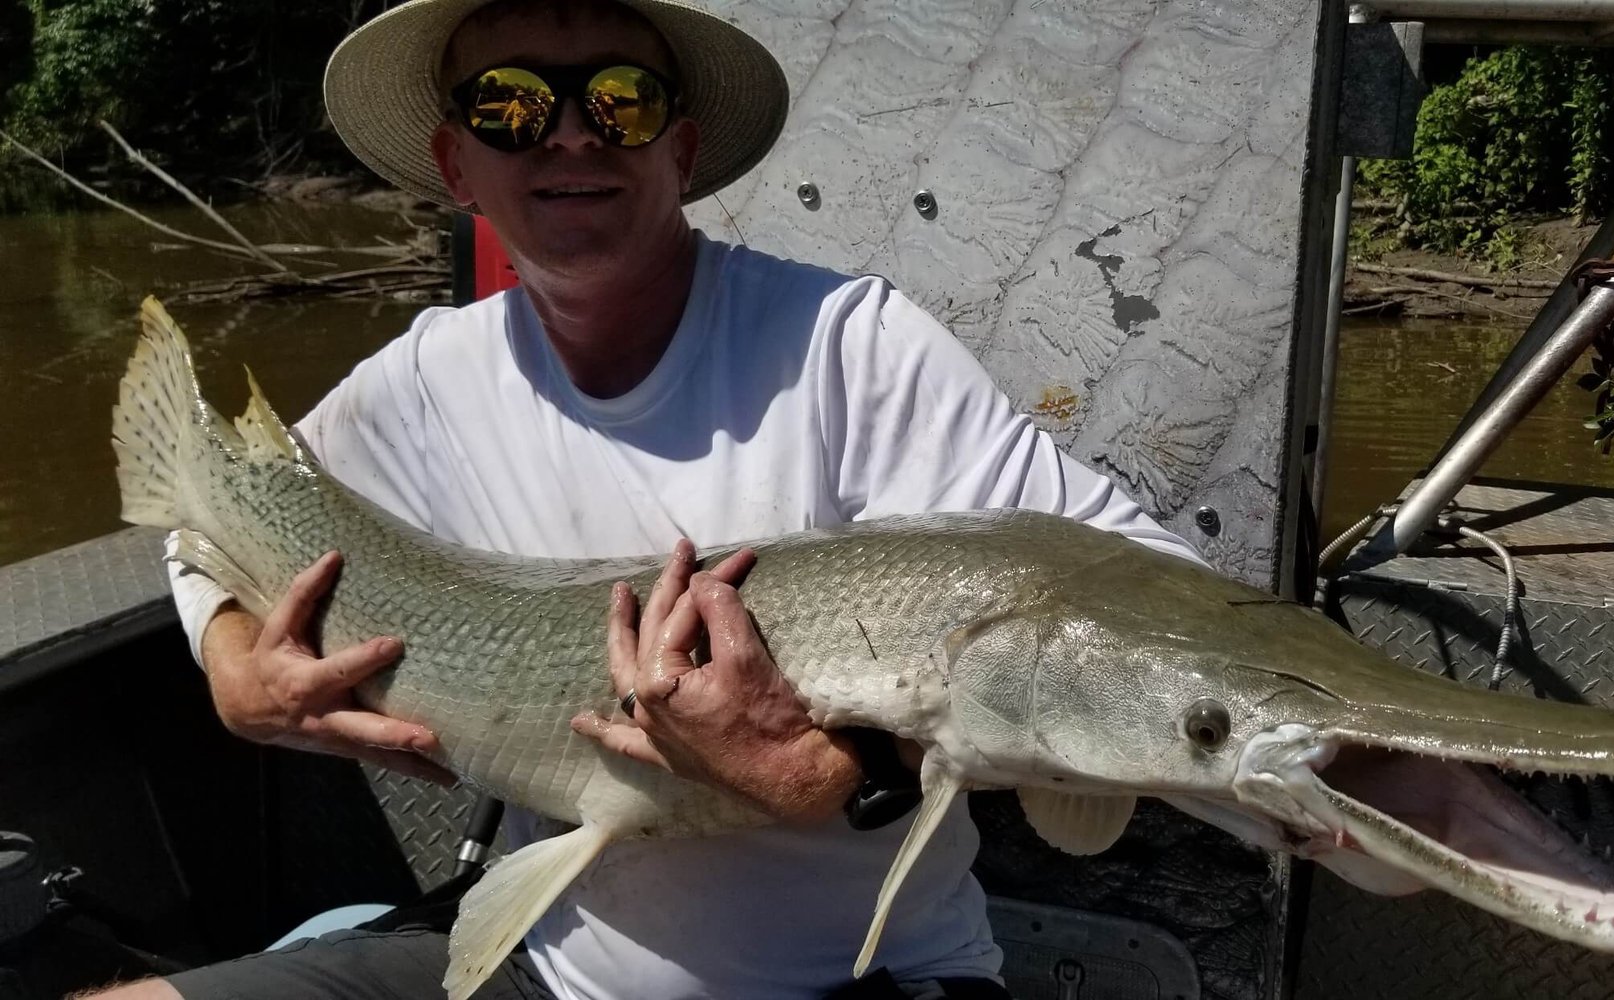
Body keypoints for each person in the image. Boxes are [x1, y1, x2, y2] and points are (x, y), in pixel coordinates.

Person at [86, 1, 1201, 998]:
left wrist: (843, 771)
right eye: (512, 103)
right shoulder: (415, 387)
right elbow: (207, 523)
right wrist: (234, 668)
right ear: (457, 163)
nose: (571, 133)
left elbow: (1145, 606)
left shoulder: (851, 346)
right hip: (551, 966)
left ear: (680, 146)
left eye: (618, 99)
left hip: (875, 979)